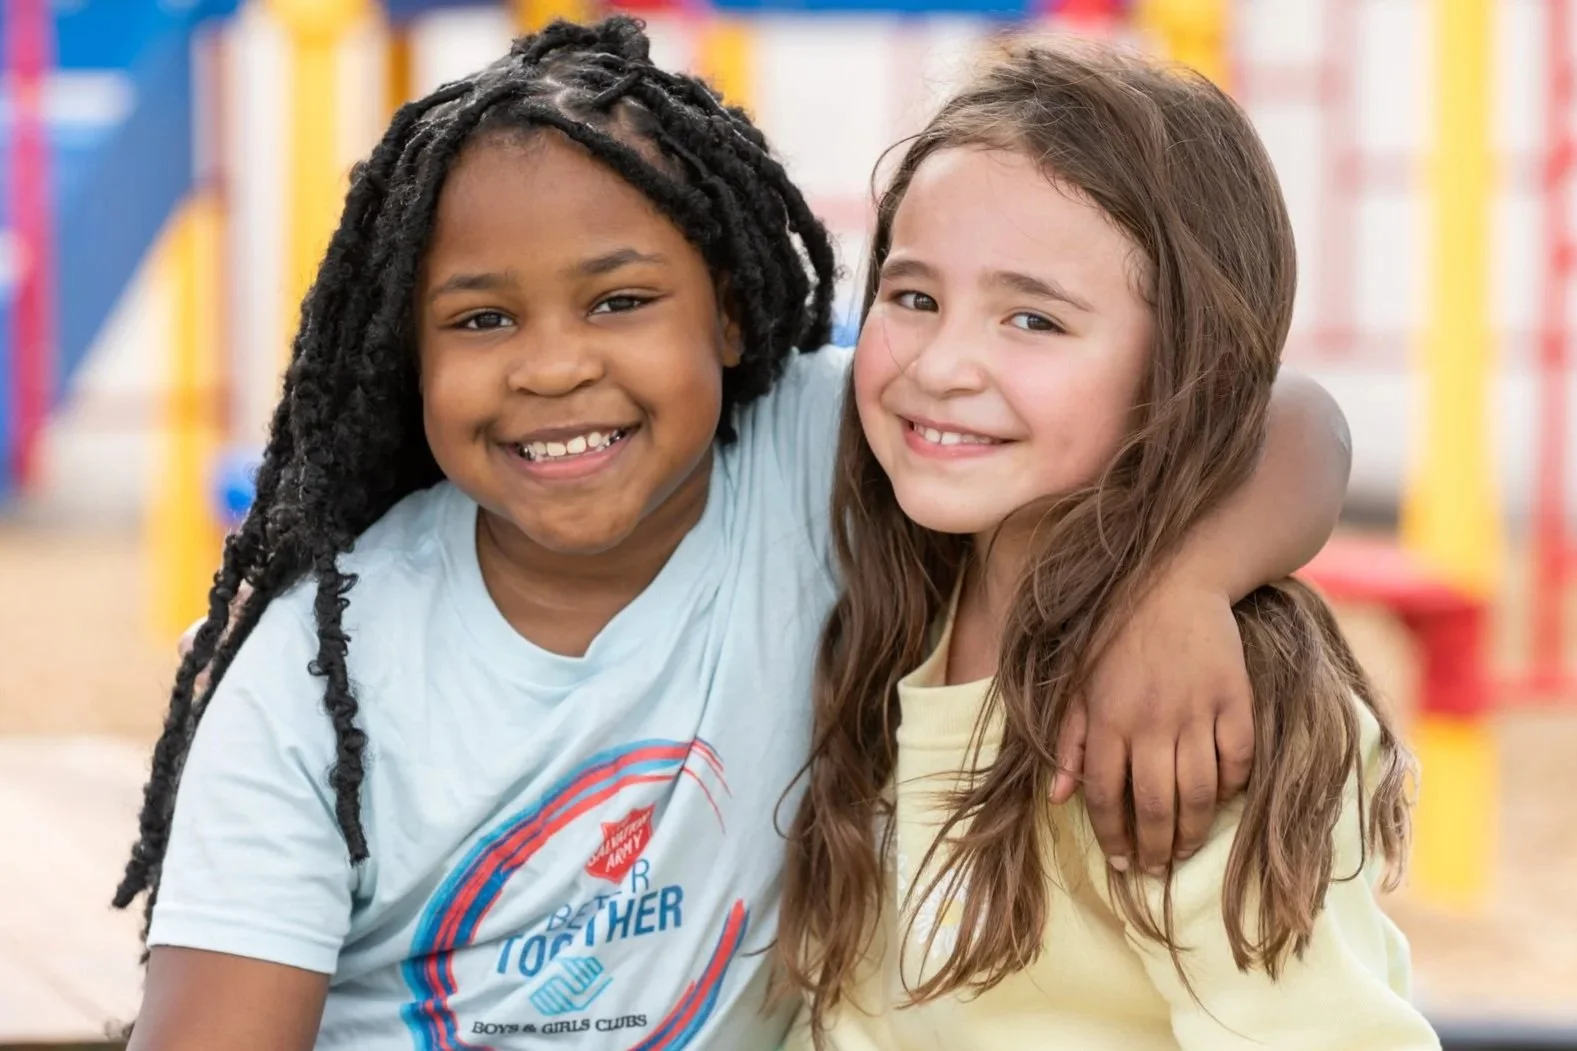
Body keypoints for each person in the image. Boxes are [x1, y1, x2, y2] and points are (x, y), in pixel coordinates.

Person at [122, 19, 1353, 1051]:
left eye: (620, 300)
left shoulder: (826, 453)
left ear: (729, 316)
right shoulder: (314, 673)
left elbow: (1281, 414)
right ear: (406, 351)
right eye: (482, 319)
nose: (554, 366)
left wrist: (1179, 586)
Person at [779, 40, 1439, 1051]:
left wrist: (1178, 590)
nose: (942, 362)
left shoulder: (1204, 707)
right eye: (912, 297)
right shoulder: (885, 587)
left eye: (1032, 319)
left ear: (1184, 364)